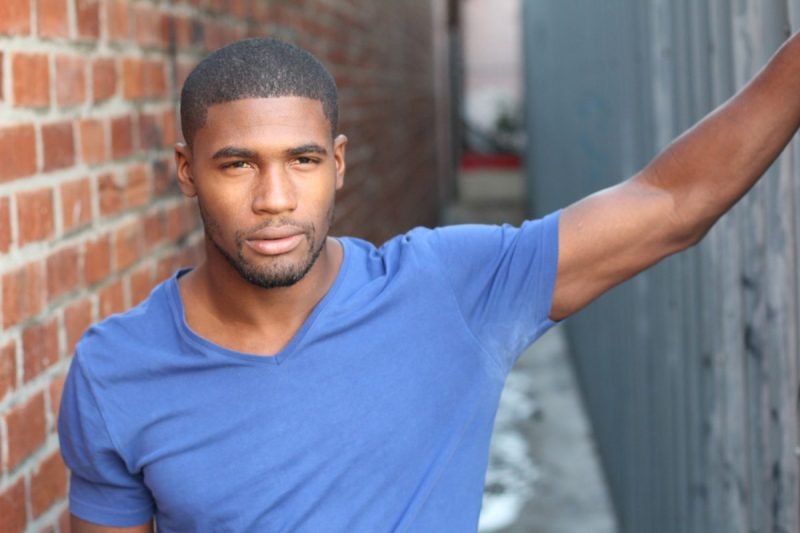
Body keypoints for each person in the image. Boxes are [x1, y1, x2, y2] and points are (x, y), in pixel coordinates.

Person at [58, 34, 800, 532]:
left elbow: (672, 202)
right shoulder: (117, 369)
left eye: (304, 160)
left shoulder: (447, 290)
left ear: (339, 163)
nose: (276, 197)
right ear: (189, 170)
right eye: (237, 163)